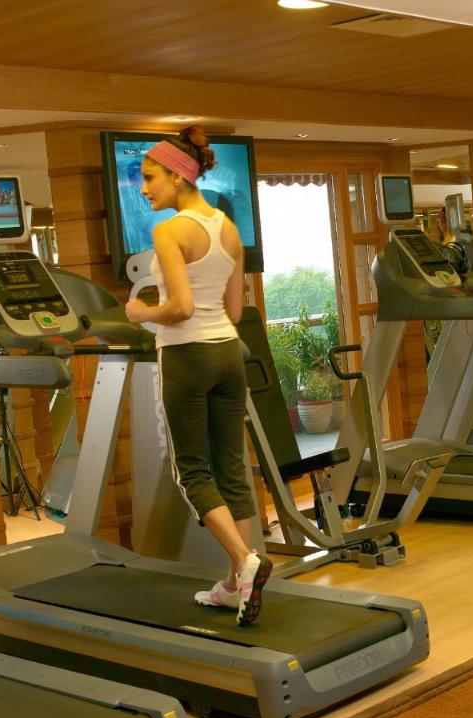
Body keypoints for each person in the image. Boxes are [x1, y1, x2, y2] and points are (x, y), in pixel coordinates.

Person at [124, 127, 270, 626]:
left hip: (187, 357)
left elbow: (181, 308)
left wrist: (139, 314)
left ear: (177, 175)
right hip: (228, 352)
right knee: (232, 465)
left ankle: (247, 562)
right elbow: (233, 307)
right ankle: (234, 584)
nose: (144, 189)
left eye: (149, 178)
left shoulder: (169, 232)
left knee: (191, 471)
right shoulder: (228, 229)